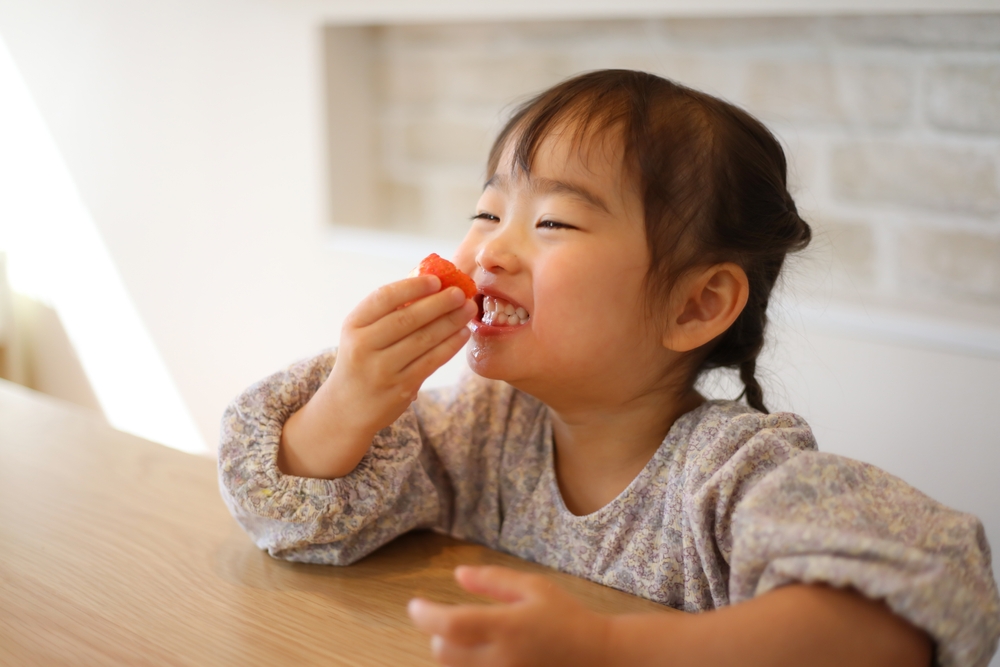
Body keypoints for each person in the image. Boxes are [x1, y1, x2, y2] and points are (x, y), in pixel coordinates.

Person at [218, 70, 999, 667]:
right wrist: (351, 400)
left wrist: (608, 648)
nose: (489, 249)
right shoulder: (475, 430)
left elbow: (904, 608)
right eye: (487, 212)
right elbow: (294, 523)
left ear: (695, 306)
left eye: (553, 220)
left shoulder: (732, 474)